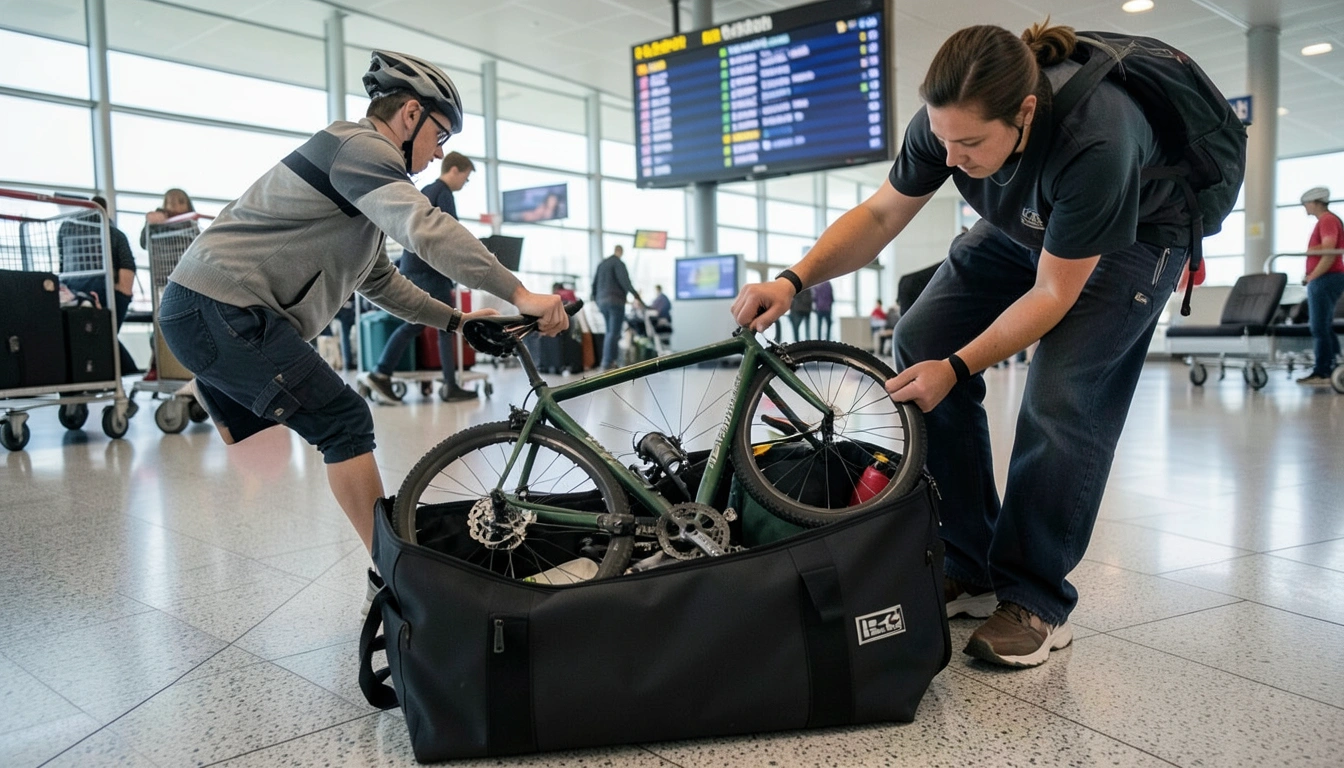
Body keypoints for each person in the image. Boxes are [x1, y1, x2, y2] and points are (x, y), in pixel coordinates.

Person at [732, 21, 1207, 668]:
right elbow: (880, 215)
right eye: (943, 139)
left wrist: (956, 369)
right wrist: (794, 279)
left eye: (971, 143)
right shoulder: (946, 128)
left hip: (1137, 236)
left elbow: (1051, 296)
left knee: (1063, 393)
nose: (951, 158)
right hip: (1030, 220)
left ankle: (1035, 598)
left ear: (1025, 112)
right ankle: (968, 560)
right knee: (920, 332)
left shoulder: (1097, 135)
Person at [157, 50, 567, 573]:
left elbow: (381, 281)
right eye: (440, 136)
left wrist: (459, 321)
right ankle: (397, 571)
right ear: (411, 115)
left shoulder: (362, 179)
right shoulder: (359, 148)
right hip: (219, 308)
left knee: (327, 417)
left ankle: (213, 387)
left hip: (221, 311)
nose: (439, 155)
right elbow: (426, 229)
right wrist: (518, 292)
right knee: (344, 422)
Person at [361, 151, 480, 402]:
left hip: (413, 265)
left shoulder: (427, 190)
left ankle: (381, 372)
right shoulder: (443, 193)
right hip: (429, 270)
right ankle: (449, 386)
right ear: (455, 170)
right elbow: (451, 234)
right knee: (448, 323)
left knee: (414, 324)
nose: (464, 184)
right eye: (466, 178)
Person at [57, 195, 140, 375]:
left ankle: (121, 378)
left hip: (73, 292)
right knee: (106, 337)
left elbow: (62, 263)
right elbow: (128, 267)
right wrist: (122, 296)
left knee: (97, 338)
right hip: (106, 292)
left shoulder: (67, 228)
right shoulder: (114, 233)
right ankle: (129, 376)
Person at [1295, 186, 1343, 386]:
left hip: (1326, 278)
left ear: (1314, 203)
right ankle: (1334, 366)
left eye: (1306, 204)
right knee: (1322, 325)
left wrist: (1313, 276)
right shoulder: (1327, 221)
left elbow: (1330, 252)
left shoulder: (1327, 220)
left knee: (1318, 326)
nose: (1305, 208)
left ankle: (1323, 372)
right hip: (1326, 278)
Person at [592, 244, 642, 369]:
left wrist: (597, 300)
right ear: (621, 252)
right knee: (614, 333)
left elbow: (594, 284)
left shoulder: (602, 264)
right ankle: (608, 362)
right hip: (615, 301)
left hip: (602, 301)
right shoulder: (619, 263)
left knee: (609, 332)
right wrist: (637, 296)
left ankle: (609, 360)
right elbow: (625, 282)